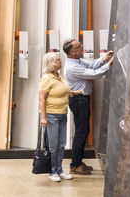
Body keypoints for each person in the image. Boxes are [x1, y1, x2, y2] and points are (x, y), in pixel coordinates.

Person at [62, 39, 113, 175]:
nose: (83, 46)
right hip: (78, 100)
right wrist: (109, 64)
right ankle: (75, 165)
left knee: (83, 131)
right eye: (79, 46)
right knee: (81, 132)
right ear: (73, 51)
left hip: (81, 100)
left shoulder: (77, 61)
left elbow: (91, 65)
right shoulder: (72, 66)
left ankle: (77, 162)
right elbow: (94, 74)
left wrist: (104, 59)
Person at [39, 52, 83, 182]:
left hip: (62, 115)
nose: (60, 61)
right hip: (51, 116)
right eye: (58, 60)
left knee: (61, 144)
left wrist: (75, 92)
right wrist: (44, 117)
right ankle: (52, 171)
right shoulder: (46, 78)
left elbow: (65, 91)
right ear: (52, 63)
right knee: (53, 146)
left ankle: (59, 170)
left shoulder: (59, 77)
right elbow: (42, 99)